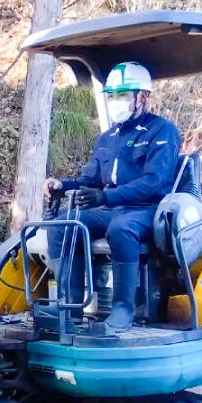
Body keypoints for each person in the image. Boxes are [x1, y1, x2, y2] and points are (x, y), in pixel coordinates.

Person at [42, 61, 182, 333]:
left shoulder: (162, 132)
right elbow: (89, 181)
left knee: (121, 229)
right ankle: (68, 305)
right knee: (62, 225)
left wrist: (105, 197)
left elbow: (154, 183)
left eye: (123, 95)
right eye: (113, 96)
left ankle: (123, 308)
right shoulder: (108, 137)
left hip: (146, 209)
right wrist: (63, 184)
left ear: (142, 97)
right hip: (111, 208)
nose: (115, 101)